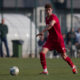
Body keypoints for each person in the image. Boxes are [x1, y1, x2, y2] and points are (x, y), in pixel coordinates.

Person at [36, 4, 78, 75]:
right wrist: (44, 34)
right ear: (45, 11)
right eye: (46, 10)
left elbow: (51, 25)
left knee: (64, 56)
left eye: (49, 10)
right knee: (42, 53)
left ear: (51, 10)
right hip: (51, 40)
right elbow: (50, 29)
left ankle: (73, 66)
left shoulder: (54, 17)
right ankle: (45, 70)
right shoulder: (46, 18)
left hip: (58, 40)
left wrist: (42, 31)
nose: (48, 11)